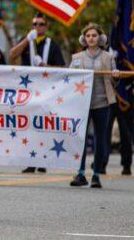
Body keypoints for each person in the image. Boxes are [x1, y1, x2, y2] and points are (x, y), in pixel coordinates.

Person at [9, 12, 65, 173]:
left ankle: (42, 160)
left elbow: (61, 68)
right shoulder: (27, 41)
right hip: (28, 91)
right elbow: (12, 55)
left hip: (46, 90)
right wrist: (27, 39)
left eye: (40, 24)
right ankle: (31, 160)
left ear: (46, 27)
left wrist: (43, 64)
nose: (37, 27)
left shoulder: (52, 45)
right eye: (34, 24)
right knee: (28, 125)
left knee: (43, 125)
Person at [68, 23, 118, 188]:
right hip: (82, 104)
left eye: (94, 35)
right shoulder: (77, 58)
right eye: (88, 36)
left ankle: (96, 175)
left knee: (100, 139)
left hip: (102, 102)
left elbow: (113, 81)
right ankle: (80, 174)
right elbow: (69, 79)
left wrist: (115, 75)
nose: (91, 38)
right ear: (84, 39)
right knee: (80, 140)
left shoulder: (108, 57)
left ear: (100, 38)